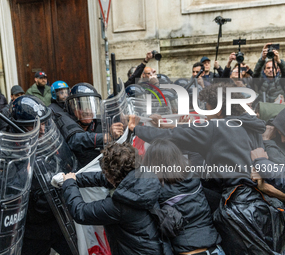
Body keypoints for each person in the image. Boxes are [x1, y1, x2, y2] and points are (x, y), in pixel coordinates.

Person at [127, 83, 285, 254]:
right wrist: (166, 124)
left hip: (233, 202)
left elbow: (171, 138)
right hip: (259, 200)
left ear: (217, 110)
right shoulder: (249, 125)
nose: (204, 113)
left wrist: (136, 128)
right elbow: (189, 131)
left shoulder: (216, 128)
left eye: (206, 108)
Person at [61, 142, 164, 255]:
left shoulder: (119, 206)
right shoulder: (143, 177)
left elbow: (80, 212)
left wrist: (69, 184)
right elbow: (104, 178)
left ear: (111, 176)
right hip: (156, 246)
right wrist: (76, 178)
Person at [10, 95, 75, 255]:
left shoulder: (48, 141)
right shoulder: (9, 152)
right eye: (33, 126)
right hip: (33, 228)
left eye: (44, 123)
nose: (42, 130)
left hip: (58, 219)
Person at [142, 138, 224, 255]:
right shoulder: (194, 177)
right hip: (215, 249)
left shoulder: (157, 191)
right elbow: (195, 149)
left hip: (189, 251)